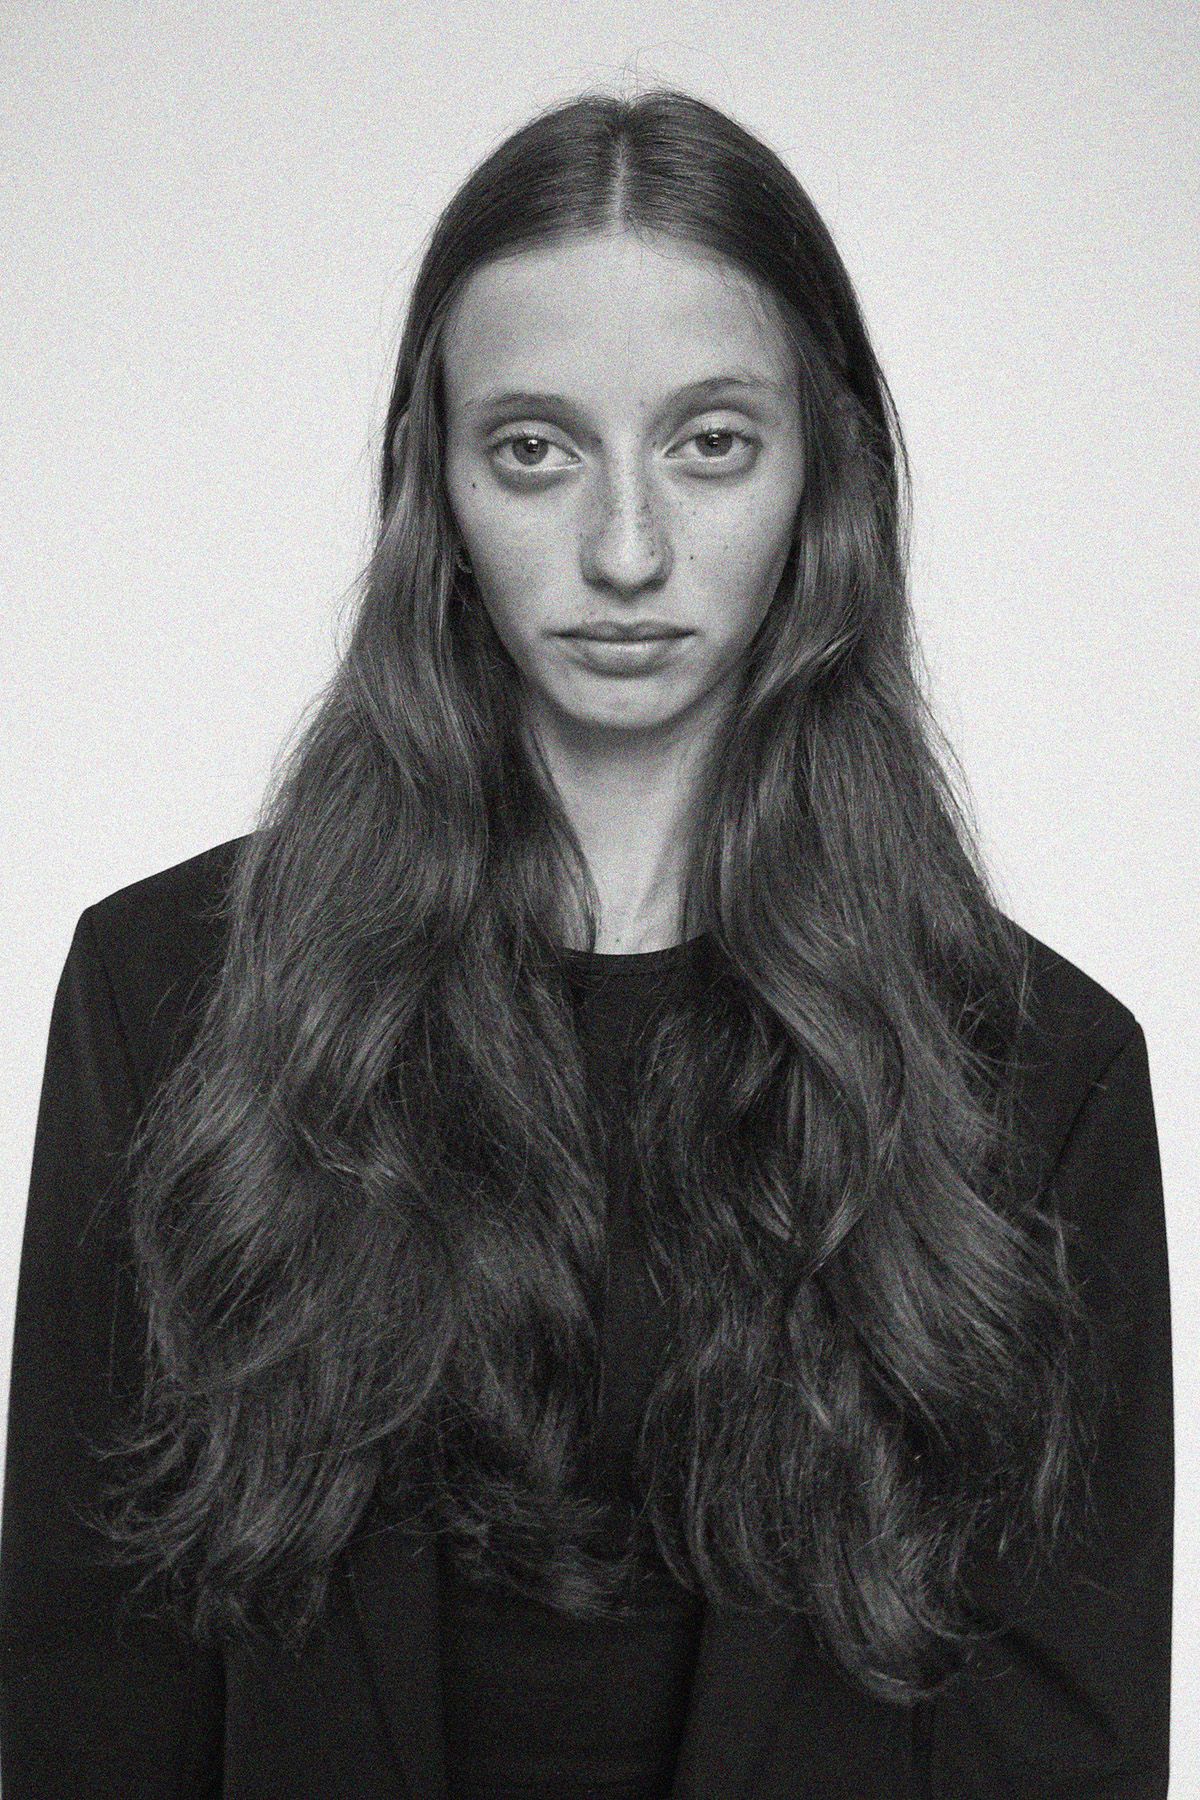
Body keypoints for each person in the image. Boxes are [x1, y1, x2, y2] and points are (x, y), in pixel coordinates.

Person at [0, 88, 1172, 1800]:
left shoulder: (1040, 1078)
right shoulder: (165, 999)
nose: (627, 550)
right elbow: (84, 1711)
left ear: (825, 472)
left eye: (713, 443)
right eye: (536, 450)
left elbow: (1061, 1755)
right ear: (434, 482)